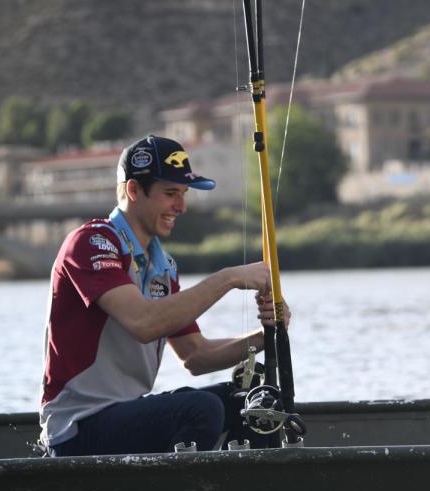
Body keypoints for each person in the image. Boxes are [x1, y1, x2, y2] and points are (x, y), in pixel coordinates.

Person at [40, 134, 288, 456]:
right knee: (200, 410)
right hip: (77, 428)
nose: (181, 206)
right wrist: (229, 278)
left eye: (183, 194)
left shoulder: (163, 267)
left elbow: (195, 356)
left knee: (255, 403)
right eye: (170, 193)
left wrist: (269, 333)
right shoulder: (91, 243)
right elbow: (143, 323)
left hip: (122, 416)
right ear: (133, 190)